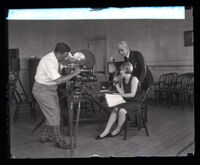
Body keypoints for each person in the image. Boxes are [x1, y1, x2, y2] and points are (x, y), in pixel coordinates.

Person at [32, 42, 82, 149]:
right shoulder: (48, 61)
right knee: (54, 114)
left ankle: (44, 137)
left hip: (51, 89)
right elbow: (59, 80)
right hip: (42, 90)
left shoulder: (56, 58)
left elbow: (65, 63)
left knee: (54, 113)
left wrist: (72, 60)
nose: (67, 57)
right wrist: (75, 73)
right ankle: (59, 141)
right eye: (66, 55)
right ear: (61, 53)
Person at [96, 62, 141, 139]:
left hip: (136, 101)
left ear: (127, 70)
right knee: (115, 109)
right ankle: (106, 131)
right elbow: (122, 92)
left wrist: (120, 95)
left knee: (122, 111)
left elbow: (132, 94)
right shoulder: (123, 80)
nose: (120, 72)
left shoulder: (134, 79)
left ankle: (118, 128)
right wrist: (116, 84)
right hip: (127, 100)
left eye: (122, 70)